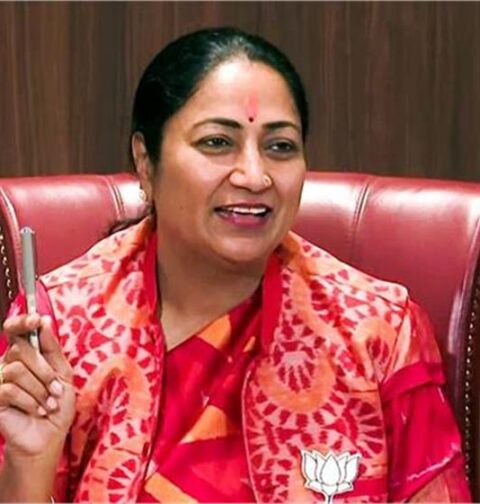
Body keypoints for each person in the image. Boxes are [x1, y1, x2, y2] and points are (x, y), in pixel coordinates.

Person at [0, 26, 472, 503]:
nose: (254, 175)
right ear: (145, 161)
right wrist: (28, 463)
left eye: (280, 146)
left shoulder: (378, 334)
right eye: (217, 142)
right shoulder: (59, 331)